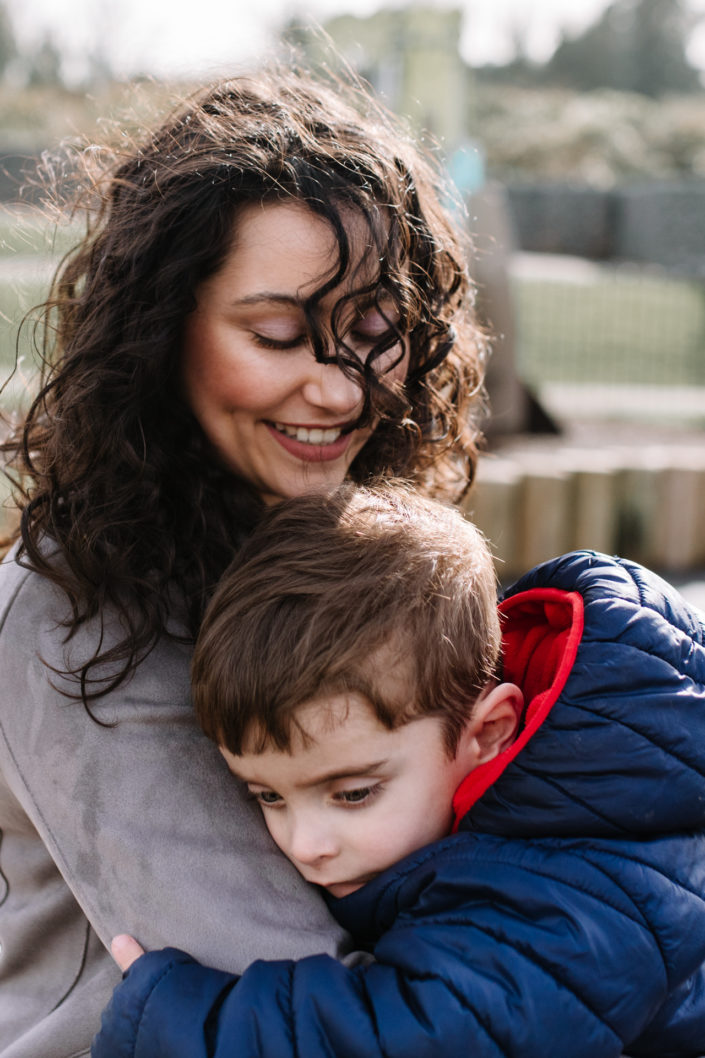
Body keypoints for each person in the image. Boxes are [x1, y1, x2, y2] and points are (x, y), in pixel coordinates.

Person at [0, 65, 488, 1058]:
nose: (339, 389)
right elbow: (289, 992)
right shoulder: (78, 618)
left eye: (375, 332)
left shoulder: (350, 548)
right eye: (276, 334)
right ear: (160, 332)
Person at [92, 483, 705, 1058]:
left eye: (353, 793)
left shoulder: (572, 887)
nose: (305, 846)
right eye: (267, 796)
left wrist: (178, 1021)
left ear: (488, 732)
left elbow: (429, 1035)